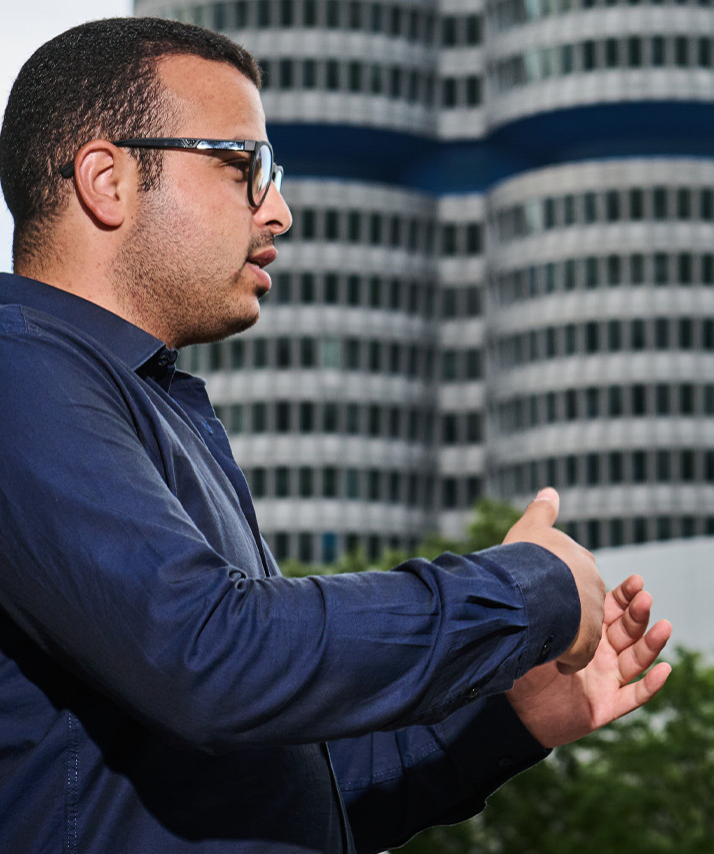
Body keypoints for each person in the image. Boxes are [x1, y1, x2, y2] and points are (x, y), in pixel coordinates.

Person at [0, 17, 671, 854]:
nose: (278, 209)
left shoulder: (141, 402)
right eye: (243, 167)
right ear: (107, 180)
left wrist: (508, 717)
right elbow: (213, 657)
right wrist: (529, 590)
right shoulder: (18, 373)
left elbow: (288, 796)